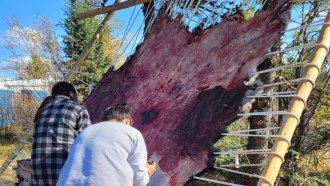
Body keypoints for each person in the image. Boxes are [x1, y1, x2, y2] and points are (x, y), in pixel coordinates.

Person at [57, 103, 156, 186]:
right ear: (127, 121)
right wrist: (148, 172)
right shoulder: (132, 133)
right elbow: (139, 181)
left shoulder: (85, 132)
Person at [31, 81, 91, 185]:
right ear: (72, 94)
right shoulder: (78, 109)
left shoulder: (42, 110)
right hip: (63, 170)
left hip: (38, 170)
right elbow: (88, 141)